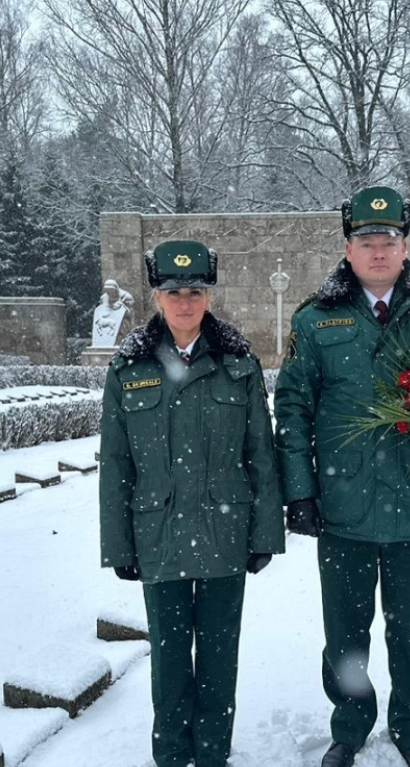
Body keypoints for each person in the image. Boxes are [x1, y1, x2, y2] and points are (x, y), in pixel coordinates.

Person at [273, 186, 410, 767]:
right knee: (346, 634)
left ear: (405, 247)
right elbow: (294, 407)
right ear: (348, 248)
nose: (378, 251)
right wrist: (300, 492)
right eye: (366, 240)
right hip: (343, 506)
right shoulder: (314, 320)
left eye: (389, 240)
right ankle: (349, 728)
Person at [99, 239, 285, 767]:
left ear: (209, 296)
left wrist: (265, 534)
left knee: (220, 657)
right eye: (174, 292)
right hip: (157, 535)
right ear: (157, 297)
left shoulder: (238, 364)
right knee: (169, 658)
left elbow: (260, 454)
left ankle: (212, 755)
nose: (185, 302)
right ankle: (172, 755)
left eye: (196, 291)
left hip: (225, 532)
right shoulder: (129, 366)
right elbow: (115, 463)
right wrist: (119, 546)